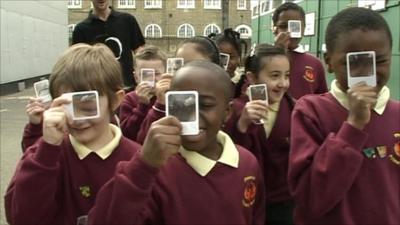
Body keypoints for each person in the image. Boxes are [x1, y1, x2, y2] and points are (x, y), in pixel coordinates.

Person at [88, 60, 266, 225]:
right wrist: (143, 165)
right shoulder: (155, 169)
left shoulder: (247, 163)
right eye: (182, 104)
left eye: (205, 105)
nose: (193, 117)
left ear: (227, 112)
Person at [5, 44, 141, 225]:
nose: (77, 119)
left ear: (116, 99)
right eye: (66, 107)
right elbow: (21, 218)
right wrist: (46, 151)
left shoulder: (137, 160)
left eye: (87, 107)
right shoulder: (42, 155)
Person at [288, 7, 399, 225]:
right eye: (355, 62)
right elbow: (310, 198)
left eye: (381, 61)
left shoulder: (396, 114)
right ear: (328, 62)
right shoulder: (310, 111)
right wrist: (354, 125)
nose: (369, 72)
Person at [224, 44, 296, 225]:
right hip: (245, 198)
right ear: (252, 78)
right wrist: (242, 125)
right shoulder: (235, 110)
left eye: (287, 76)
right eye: (274, 76)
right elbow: (229, 156)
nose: (283, 83)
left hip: (284, 202)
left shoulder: (296, 109)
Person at [135, 36, 221, 143]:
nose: (186, 72)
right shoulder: (171, 100)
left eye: (195, 66)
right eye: (180, 66)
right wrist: (160, 104)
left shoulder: (221, 101)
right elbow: (144, 144)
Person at [72, 0, 145, 90]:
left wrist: (140, 76)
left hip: (128, 88)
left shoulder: (127, 20)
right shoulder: (81, 29)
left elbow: (140, 52)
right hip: (100, 91)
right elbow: (78, 63)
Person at [272, 2, 327, 99]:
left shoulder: (315, 64)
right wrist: (277, 52)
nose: (289, 31)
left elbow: (322, 100)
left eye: (294, 26)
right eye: (283, 26)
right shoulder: (262, 59)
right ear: (275, 29)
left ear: (304, 28)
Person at [119, 46, 167, 141]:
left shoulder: (170, 97)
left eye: (156, 74)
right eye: (145, 74)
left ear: (165, 74)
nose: (152, 78)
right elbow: (127, 134)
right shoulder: (129, 99)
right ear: (136, 77)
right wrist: (142, 106)